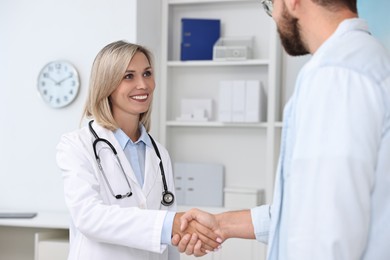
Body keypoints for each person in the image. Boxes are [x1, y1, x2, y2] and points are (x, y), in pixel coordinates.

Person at [173, 0, 390, 259]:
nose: (274, 16)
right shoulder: (369, 58)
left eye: (271, 5)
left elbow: (325, 233)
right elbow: (305, 209)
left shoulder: (334, 74)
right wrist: (221, 224)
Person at [56, 40, 219, 260]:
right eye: (128, 76)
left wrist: (185, 239)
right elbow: (88, 217)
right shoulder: (76, 145)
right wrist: (170, 226)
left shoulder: (159, 154)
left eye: (147, 73)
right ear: (107, 84)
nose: (143, 84)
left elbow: (169, 233)